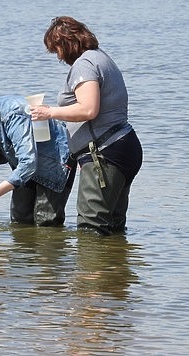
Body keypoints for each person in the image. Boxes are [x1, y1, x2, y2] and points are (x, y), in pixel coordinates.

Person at [31, 16, 143, 235]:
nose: (59, 57)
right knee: (113, 224)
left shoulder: (84, 64)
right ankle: (116, 268)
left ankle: (93, 267)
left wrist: (50, 112)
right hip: (122, 146)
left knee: (90, 227)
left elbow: (89, 109)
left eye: (57, 50)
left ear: (67, 43)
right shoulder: (102, 58)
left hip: (105, 152)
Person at [0, 89, 76, 226]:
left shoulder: (13, 115)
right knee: (19, 218)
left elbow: (28, 163)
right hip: (28, 165)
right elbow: (8, 152)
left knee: (46, 222)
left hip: (55, 162)